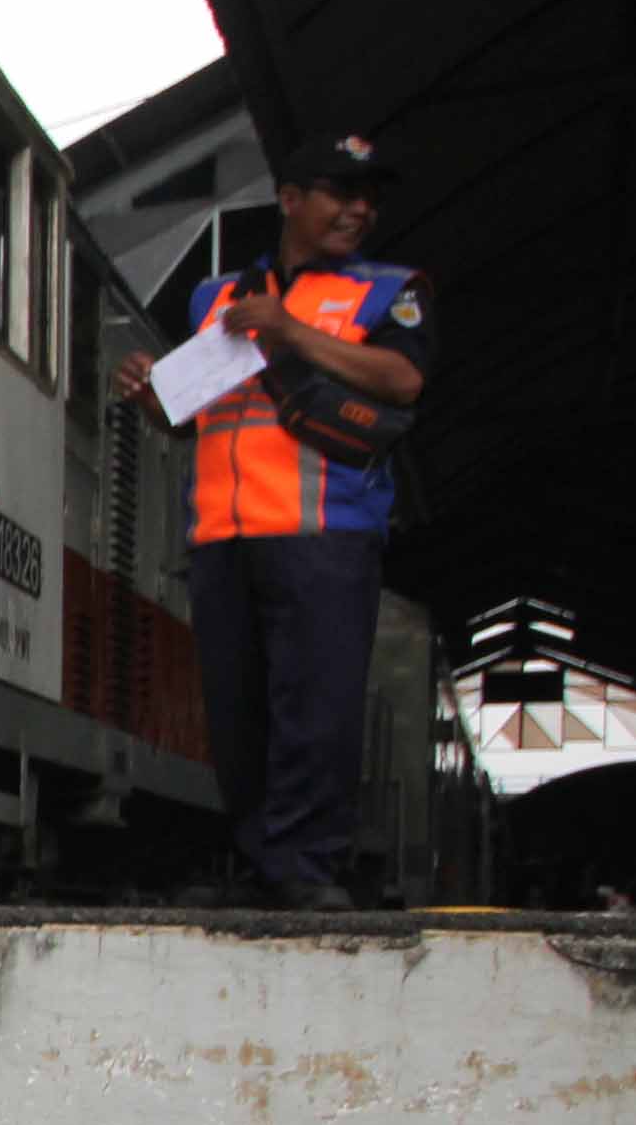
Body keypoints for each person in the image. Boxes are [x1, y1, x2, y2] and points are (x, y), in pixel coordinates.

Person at [116, 132, 432, 911]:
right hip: (225, 536)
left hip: (325, 530)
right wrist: (150, 394)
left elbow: (402, 379)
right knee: (238, 709)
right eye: (338, 192)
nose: (357, 210)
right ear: (289, 198)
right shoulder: (215, 299)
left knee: (316, 705)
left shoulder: (388, 290)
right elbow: (191, 416)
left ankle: (309, 864)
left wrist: (290, 332)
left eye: (367, 197)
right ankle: (264, 864)